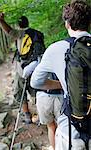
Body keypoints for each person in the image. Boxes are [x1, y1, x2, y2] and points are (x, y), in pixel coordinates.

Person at [30, 1, 91, 149]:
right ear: (89, 23)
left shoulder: (56, 49)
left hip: (72, 130)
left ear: (67, 24)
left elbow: (36, 82)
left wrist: (62, 85)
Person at [0, 13, 45, 124]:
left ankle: (27, 116)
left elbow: (8, 30)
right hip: (36, 67)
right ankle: (41, 115)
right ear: (27, 22)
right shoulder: (36, 33)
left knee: (20, 92)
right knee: (35, 91)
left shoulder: (19, 33)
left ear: (19, 25)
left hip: (22, 69)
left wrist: (1, 20)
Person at [36, 73, 63, 150]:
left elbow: (27, 74)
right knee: (61, 127)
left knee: (50, 126)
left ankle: (54, 148)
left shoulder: (40, 62)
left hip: (43, 96)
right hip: (60, 95)